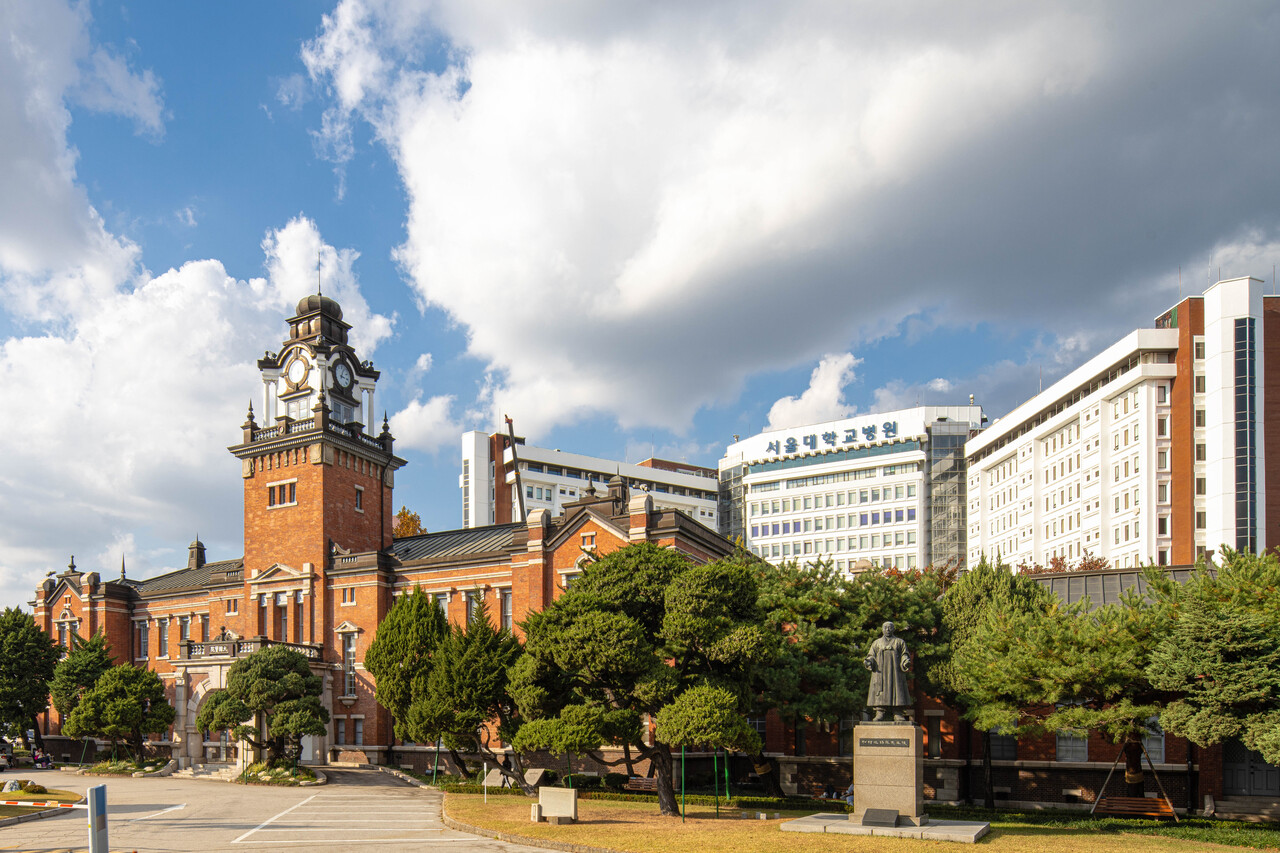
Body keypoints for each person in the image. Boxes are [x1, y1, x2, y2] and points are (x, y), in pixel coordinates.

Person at [864, 621, 912, 721]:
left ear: (893, 629)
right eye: (885, 627)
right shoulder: (876, 643)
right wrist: (869, 661)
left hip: (895, 672)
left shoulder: (899, 642)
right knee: (880, 691)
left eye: (890, 627)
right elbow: (871, 655)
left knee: (897, 690)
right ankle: (880, 712)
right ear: (882, 629)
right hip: (880, 672)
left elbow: (905, 654)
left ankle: (898, 713)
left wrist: (905, 661)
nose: (888, 629)